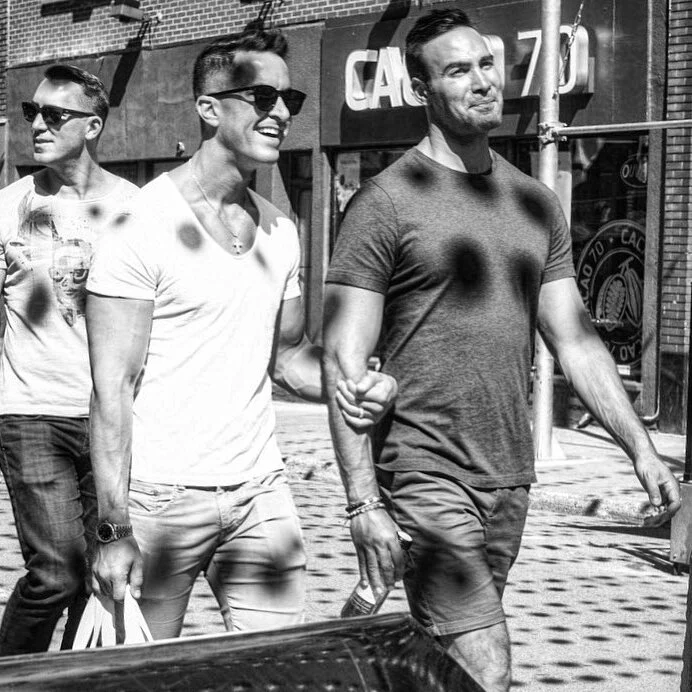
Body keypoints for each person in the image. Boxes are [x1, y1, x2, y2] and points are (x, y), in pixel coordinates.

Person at [321, 9, 681, 692]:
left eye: (487, 64)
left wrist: (641, 449)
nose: (483, 81)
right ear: (421, 89)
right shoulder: (385, 202)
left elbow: (575, 340)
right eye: (458, 70)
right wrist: (363, 504)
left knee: (449, 663)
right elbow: (344, 361)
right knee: (487, 663)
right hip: (425, 469)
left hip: (508, 474)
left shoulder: (535, 203)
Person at [85, 29, 397, 640]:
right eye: (262, 97)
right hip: (159, 498)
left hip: (260, 493)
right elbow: (111, 388)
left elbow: (289, 358)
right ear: (209, 108)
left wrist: (356, 382)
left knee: (278, 664)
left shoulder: (280, 230)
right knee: (143, 675)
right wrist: (113, 527)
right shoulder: (140, 224)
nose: (281, 112)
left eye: (290, 99)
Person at [0, 64, 138, 655]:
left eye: (55, 115)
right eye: (32, 112)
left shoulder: (135, 207)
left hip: (113, 415)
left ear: (93, 126)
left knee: (100, 576)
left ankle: (74, 675)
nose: (38, 125)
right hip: (30, 411)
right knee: (55, 571)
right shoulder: (9, 205)